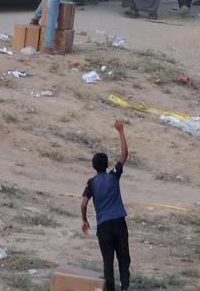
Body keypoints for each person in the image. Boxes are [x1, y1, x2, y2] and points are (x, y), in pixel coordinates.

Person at [80, 120, 131, 291]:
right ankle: (125, 287)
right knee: (124, 259)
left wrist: (84, 220)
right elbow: (124, 155)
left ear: (94, 167)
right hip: (119, 222)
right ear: (107, 164)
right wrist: (121, 131)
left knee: (108, 262)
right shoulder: (114, 176)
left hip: (103, 226)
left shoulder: (92, 183)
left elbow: (84, 203)